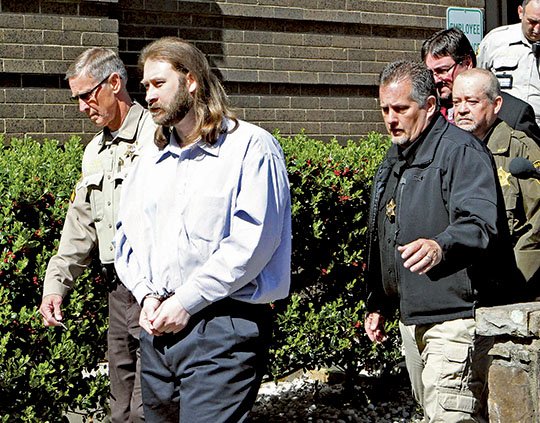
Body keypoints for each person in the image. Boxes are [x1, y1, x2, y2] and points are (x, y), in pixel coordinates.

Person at [113, 37, 291, 422]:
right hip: (157, 329)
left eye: (159, 84)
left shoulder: (250, 147)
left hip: (222, 326)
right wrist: (145, 296)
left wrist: (186, 301)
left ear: (191, 81)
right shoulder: (149, 161)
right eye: (145, 86)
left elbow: (252, 243)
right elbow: (125, 238)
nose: (149, 95)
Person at [364, 60, 523, 422]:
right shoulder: (395, 158)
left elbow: (481, 224)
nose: (391, 119)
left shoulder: (460, 152)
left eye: (401, 109)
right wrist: (378, 301)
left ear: (431, 106)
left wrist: (441, 246)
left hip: (455, 318)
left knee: (450, 415)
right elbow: (383, 231)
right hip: (412, 318)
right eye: (385, 109)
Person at [38, 47, 157, 422]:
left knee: (148, 405)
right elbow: (80, 224)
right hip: (118, 291)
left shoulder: (158, 136)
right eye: (76, 98)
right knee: (119, 405)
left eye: (86, 95)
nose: (81, 107)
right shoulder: (94, 151)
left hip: (155, 287)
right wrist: (55, 286)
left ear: (115, 83)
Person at [453, 68, 540, 294]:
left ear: (496, 104)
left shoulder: (521, 150)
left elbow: (537, 226)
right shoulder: (448, 153)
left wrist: (514, 281)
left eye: (471, 101)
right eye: (456, 102)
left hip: (513, 286)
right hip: (463, 289)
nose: (462, 109)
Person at [421, 27, 540, 143]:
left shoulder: (514, 113)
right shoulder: (427, 111)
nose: (435, 80)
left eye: (442, 70)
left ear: (467, 63)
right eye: (430, 73)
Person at [477, 0, 540, 126]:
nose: (537, 29)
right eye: (532, 22)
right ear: (520, 12)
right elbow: (478, 83)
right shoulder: (495, 41)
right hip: (502, 127)